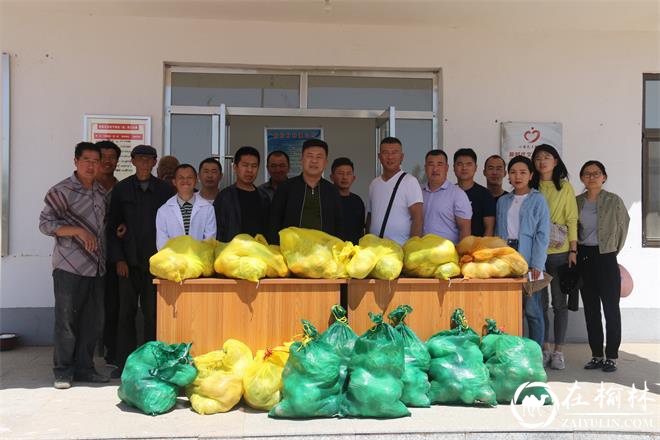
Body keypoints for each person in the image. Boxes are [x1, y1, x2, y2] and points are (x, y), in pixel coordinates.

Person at [39, 142, 109, 389]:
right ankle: (63, 371)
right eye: (86, 160)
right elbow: (46, 224)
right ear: (76, 161)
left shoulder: (100, 193)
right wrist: (77, 231)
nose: (91, 165)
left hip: (96, 266)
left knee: (93, 322)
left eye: (95, 161)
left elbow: (101, 226)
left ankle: (85, 369)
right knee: (66, 320)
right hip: (69, 265)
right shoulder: (62, 191)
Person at [107, 145, 175, 378]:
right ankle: (124, 362)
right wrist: (118, 259)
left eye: (149, 160)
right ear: (133, 161)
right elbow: (112, 226)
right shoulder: (122, 189)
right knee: (125, 314)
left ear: (155, 162)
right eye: (140, 159)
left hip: (154, 265)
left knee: (152, 314)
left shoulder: (165, 190)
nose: (145, 164)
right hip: (128, 262)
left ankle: (151, 362)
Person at [576, 160, 629, 373]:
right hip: (584, 256)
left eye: (596, 173)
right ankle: (596, 354)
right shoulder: (577, 202)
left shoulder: (614, 201)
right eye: (587, 174)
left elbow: (623, 226)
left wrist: (612, 250)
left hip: (606, 256)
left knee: (611, 308)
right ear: (582, 178)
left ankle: (612, 356)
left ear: (604, 177)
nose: (592, 177)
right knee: (590, 309)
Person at [531, 143, 578, 370]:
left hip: (560, 252)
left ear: (556, 161)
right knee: (540, 303)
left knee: (560, 303)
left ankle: (559, 350)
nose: (542, 161)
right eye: (538, 157)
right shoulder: (531, 185)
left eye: (547, 157)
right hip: (536, 254)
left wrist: (573, 250)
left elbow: (572, 219)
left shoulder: (565, 187)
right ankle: (544, 347)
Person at [495, 155, 550, 347]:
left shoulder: (538, 200)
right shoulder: (503, 201)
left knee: (533, 309)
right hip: (507, 254)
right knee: (510, 306)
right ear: (508, 176)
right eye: (513, 172)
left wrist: (537, 263)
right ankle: (515, 351)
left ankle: (536, 352)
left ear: (531, 175)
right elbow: (497, 232)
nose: (517, 176)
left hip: (528, 255)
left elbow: (543, 235)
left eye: (523, 172)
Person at [269, 139, 343, 244]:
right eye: (310, 156)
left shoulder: (332, 191)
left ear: (325, 162)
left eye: (319, 157)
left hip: (324, 253)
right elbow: (274, 220)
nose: (314, 161)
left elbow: (338, 224)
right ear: (302, 160)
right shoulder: (286, 187)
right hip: (291, 251)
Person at [366, 137, 423, 245]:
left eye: (394, 152)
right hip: (375, 249)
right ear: (379, 157)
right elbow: (370, 216)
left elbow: (418, 219)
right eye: (385, 153)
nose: (390, 157)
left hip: (400, 249)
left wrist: (411, 249)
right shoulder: (374, 184)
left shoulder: (410, 181)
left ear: (402, 157)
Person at [95, 140, 121, 367]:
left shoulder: (121, 189)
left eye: (112, 157)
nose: (107, 161)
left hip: (112, 257)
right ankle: (82, 353)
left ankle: (111, 351)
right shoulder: (86, 187)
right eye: (103, 156)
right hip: (86, 257)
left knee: (113, 305)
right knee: (86, 306)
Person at [214, 146, 270, 242]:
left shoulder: (264, 197)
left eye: (254, 166)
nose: (249, 170)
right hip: (233, 252)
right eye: (245, 165)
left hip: (259, 252)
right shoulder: (224, 197)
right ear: (235, 167)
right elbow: (218, 231)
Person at [156, 164, 216, 250]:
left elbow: (209, 240)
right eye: (181, 178)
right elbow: (162, 243)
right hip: (173, 261)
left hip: (200, 260)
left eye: (189, 177)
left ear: (196, 181)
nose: (185, 181)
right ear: (174, 182)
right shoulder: (163, 211)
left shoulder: (208, 208)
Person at [422, 149, 472, 244]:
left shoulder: (458, 194)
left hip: (446, 253)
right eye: (431, 164)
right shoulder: (418, 192)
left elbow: (465, 229)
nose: (435, 169)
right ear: (425, 168)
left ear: (447, 168)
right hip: (420, 251)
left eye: (440, 164)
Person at [453, 148, 495, 237]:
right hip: (449, 247)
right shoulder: (449, 193)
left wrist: (482, 249)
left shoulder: (485, 194)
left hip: (476, 248)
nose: (464, 168)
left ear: (475, 167)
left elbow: (489, 228)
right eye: (460, 164)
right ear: (454, 167)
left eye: (469, 164)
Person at [330, 157, 365, 244]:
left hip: (354, 251)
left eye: (348, 173)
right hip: (331, 251)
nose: (345, 177)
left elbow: (361, 230)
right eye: (340, 173)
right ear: (332, 177)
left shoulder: (358, 201)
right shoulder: (326, 199)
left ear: (353, 178)